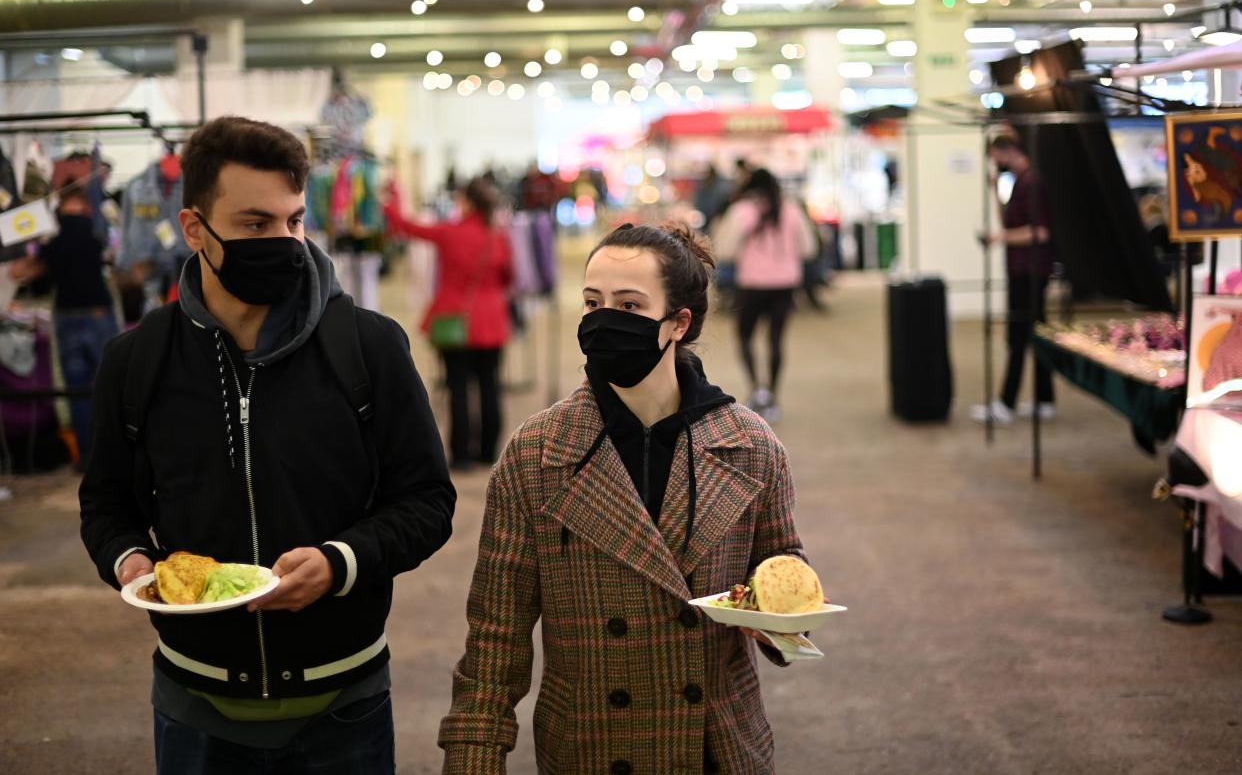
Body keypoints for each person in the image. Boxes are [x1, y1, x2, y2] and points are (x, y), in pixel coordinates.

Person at [79, 116, 456, 774]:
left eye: (294, 221)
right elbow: (105, 506)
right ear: (195, 229)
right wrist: (131, 562)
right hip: (196, 703)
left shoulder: (368, 347)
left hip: (345, 702)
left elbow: (427, 502)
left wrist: (342, 561)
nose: (283, 241)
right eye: (255, 225)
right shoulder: (136, 361)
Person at [439, 221, 811, 774]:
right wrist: (474, 757)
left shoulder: (751, 448)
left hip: (716, 748)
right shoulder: (538, 454)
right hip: (591, 745)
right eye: (593, 303)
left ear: (678, 324)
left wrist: (782, 621)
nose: (603, 320)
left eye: (630, 306)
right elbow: (498, 632)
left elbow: (786, 577)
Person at [387, 177, 514, 469]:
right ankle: (488, 450)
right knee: (490, 385)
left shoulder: (450, 232)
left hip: (455, 320)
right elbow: (509, 278)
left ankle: (462, 454)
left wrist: (392, 196)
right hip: (492, 321)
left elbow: (407, 227)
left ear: (468, 202)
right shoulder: (498, 238)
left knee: (457, 386)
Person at [10, 189, 119, 465]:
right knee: (113, 384)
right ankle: (120, 454)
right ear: (84, 204)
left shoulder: (52, 238)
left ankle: (85, 456)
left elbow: (25, 272)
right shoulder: (97, 230)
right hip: (97, 312)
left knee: (75, 388)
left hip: (66, 314)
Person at [714, 168, 818, 422]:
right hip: (785, 284)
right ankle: (772, 395)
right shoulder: (791, 209)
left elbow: (724, 250)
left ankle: (756, 390)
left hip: (752, 284)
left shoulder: (741, 211)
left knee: (745, 337)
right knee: (776, 339)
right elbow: (809, 248)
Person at [971, 134, 1056, 426]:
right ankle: (1044, 400)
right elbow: (1010, 223)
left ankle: (1007, 402)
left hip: (1030, 271)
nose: (995, 163)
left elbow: (1040, 232)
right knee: (1035, 334)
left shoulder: (1032, 182)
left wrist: (999, 238)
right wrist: (995, 194)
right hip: (1023, 269)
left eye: (995, 157)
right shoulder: (1022, 181)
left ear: (1006, 151)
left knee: (1019, 336)